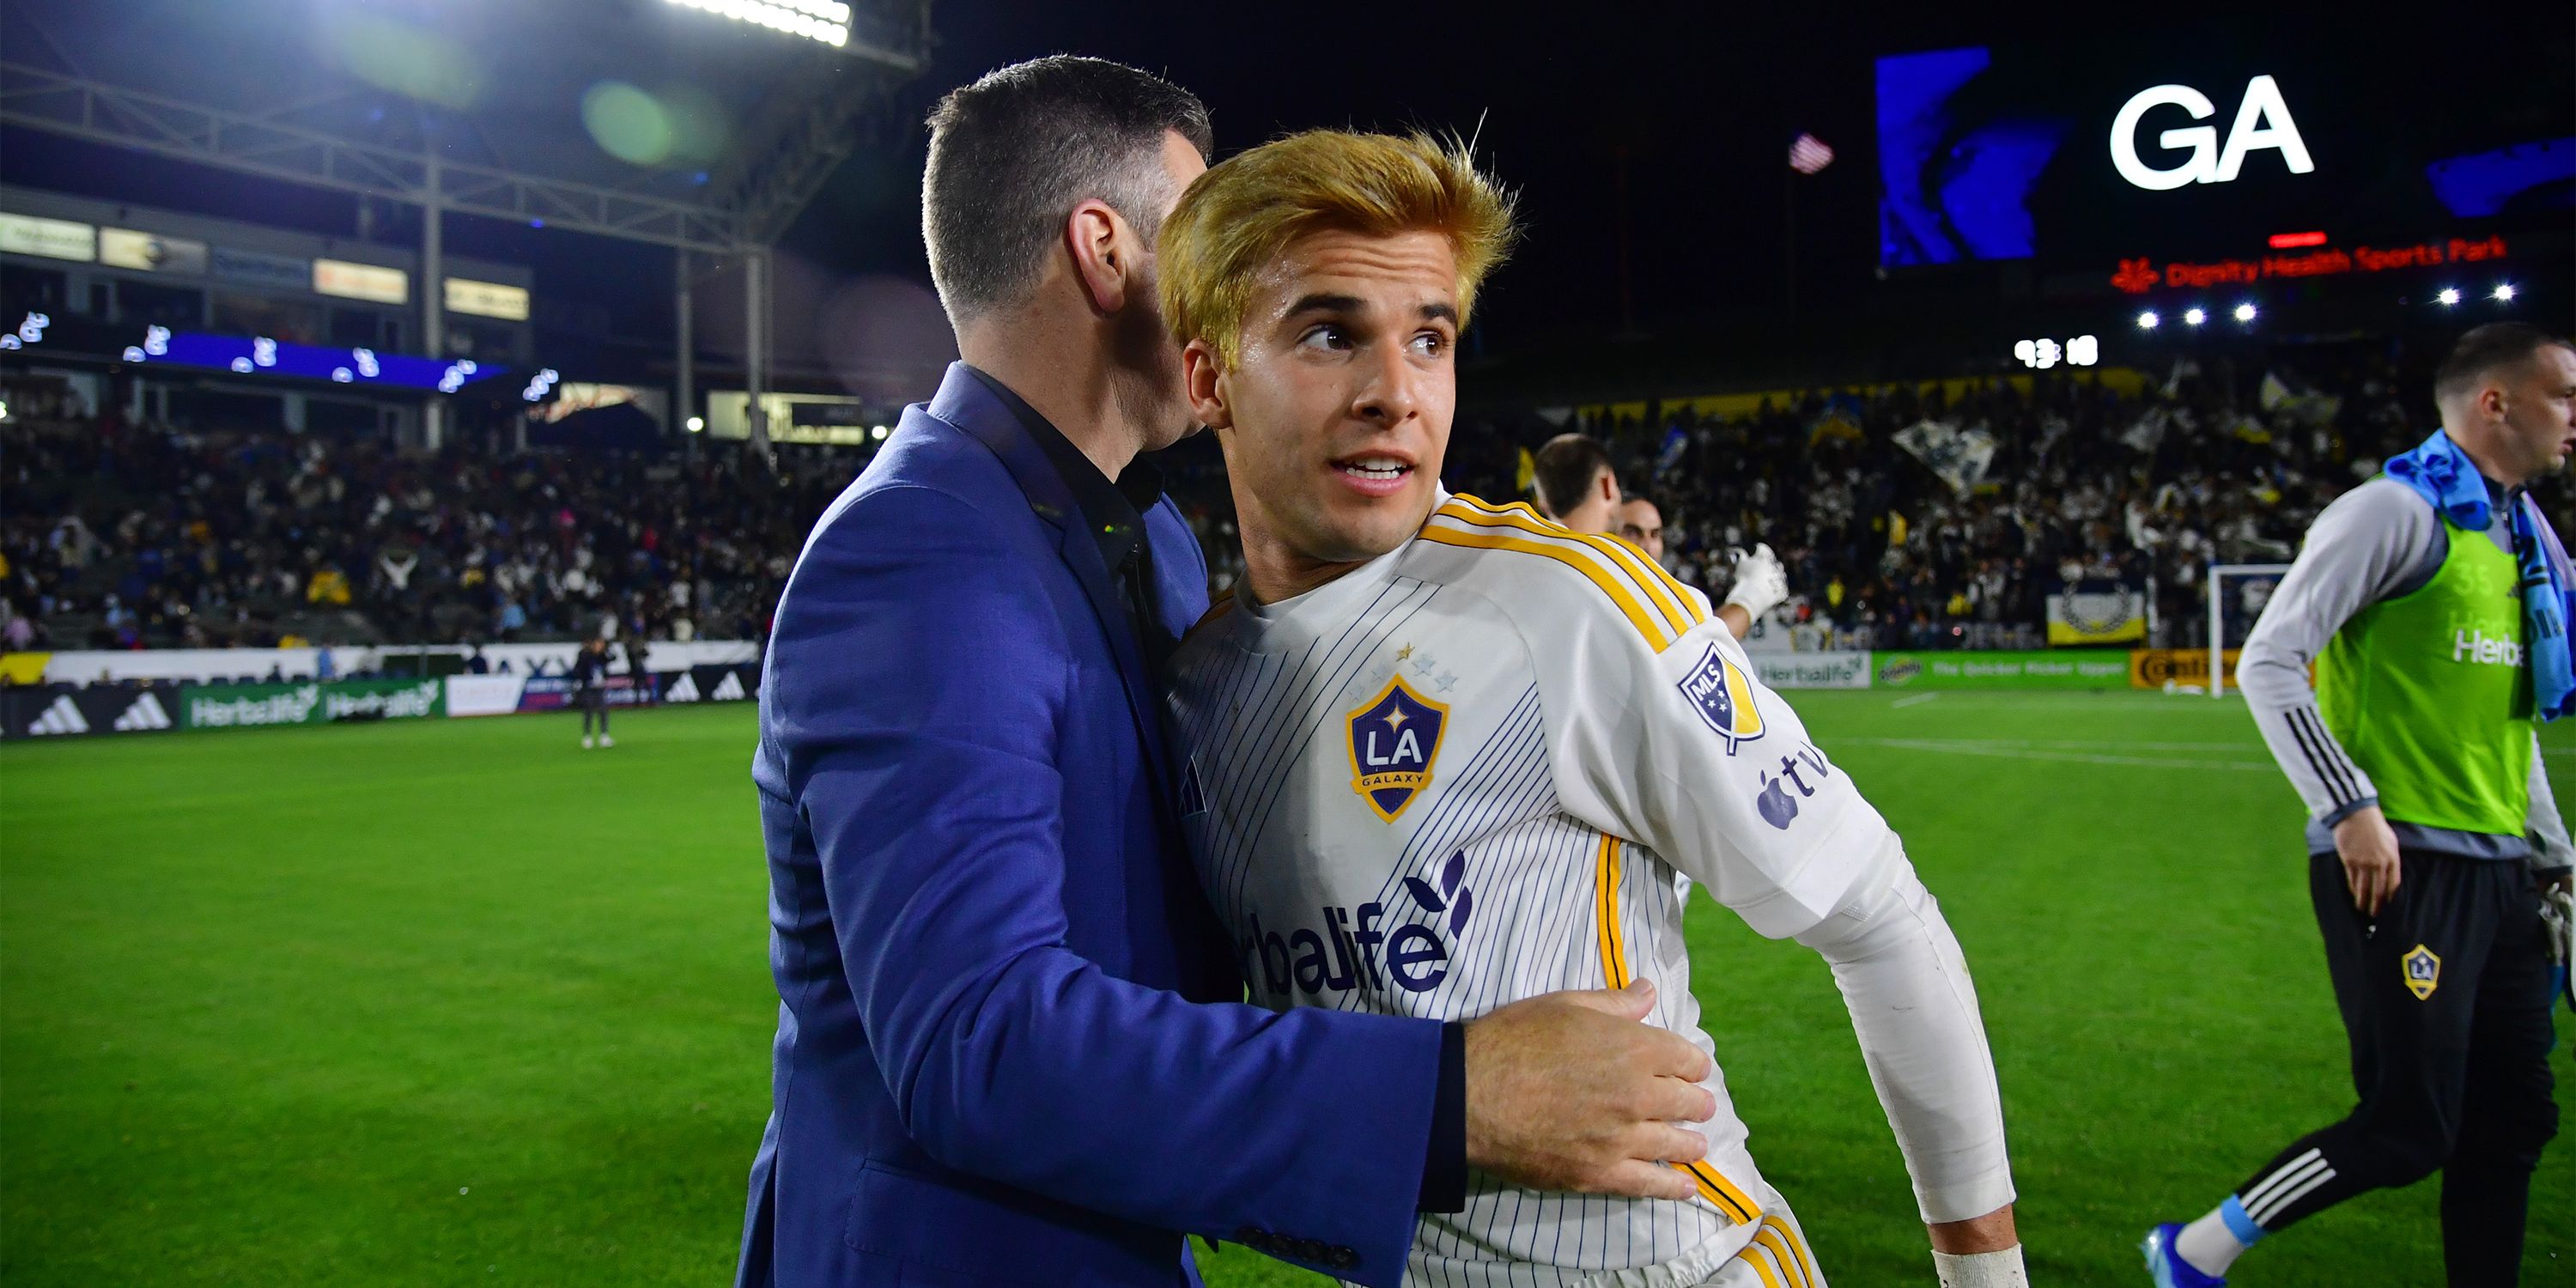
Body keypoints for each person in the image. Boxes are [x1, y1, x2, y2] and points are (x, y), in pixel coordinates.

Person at [738, 58, 1721, 1288]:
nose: (1239, 281)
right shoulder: (919, 554)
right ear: (1104, 251)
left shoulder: (1137, 534)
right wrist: (1451, 1102)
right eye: (1204, 237)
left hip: (1114, 1230)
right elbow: (981, 1042)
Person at [1159, 128, 2025, 1288]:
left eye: (1431, 338)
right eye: (1330, 335)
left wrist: (1986, 1278)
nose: (1395, 395)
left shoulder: (1571, 604)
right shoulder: (1194, 687)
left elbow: (1877, 917)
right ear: (1208, 374)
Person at [2143, 324, 2575, 1288]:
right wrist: (2349, 807)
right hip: (2401, 862)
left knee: (2511, 1125)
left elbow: (2506, 727)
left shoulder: (2520, 540)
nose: (2575, 417)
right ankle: (2195, 1250)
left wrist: (2554, 857)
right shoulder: (2392, 513)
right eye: (2564, 396)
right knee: (2410, 1124)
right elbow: (2268, 660)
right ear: (2495, 403)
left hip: (2502, 873)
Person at [1533, 434, 1784, 641]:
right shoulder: (1604, 584)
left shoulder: (1531, 572)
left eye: (1656, 535)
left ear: (1544, 503)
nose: (1647, 546)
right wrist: (1753, 596)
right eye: (1632, 532)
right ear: (1608, 486)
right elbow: (1697, 655)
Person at [571, 637, 612, 749]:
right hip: (588, 687)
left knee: (603, 711)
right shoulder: (585, 656)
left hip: (600, 687)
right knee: (588, 710)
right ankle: (587, 736)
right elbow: (577, 669)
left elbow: (612, 658)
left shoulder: (602, 657)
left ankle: (604, 735)